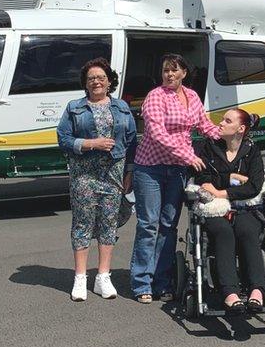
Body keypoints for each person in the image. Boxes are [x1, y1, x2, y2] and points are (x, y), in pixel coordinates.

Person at [130, 54, 221, 304]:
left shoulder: (192, 96)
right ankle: (142, 283)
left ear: (183, 73)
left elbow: (204, 125)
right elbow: (157, 133)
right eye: (165, 71)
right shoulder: (155, 96)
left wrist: (229, 135)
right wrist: (188, 155)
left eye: (173, 70)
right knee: (148, 225)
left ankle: (163, 281)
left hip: (178, 169)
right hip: (151, 168)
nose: (168, 75)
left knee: (169, 226)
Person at [56, 58, 137, 302]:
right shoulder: (74, 107)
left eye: (101, 77)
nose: (96, 81)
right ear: (85, 83)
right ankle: (80, 278)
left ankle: (103, 277)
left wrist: (129, 172)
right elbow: (63, 138)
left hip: (113, 172)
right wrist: (90, 144)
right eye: (91, 78)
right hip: (83, 174)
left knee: (108, 223)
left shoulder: (122, 107)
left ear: (109, 81)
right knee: (82, 223)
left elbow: (132, 141)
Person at [192, 109, 265, 314]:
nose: (221, 123)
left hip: (246, 209)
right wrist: (233, 179)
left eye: (227, 120)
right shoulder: (209, 147)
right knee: (223, 232)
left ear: (240, 129)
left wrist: (221, 191)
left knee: (247, 231)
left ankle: (257, 291)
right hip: (215, 211)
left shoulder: (252, 150)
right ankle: (230, 293)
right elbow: (202, 178)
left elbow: (254, 185)